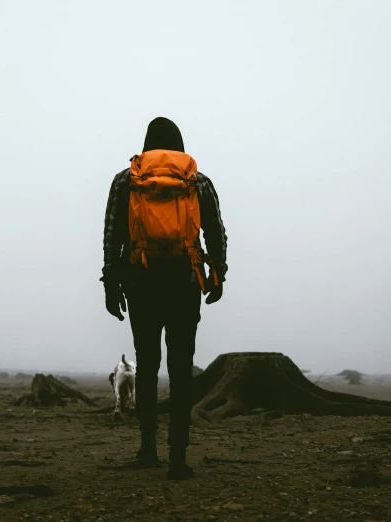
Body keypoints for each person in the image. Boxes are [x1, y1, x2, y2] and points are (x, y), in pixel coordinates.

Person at [101, 117, 228, 479]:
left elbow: (111, 234)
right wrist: (217, 274)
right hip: (185, 282)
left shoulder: (127, 179)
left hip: (140, 281)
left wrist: (111, 284)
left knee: (147, 363)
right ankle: (178, 457)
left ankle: (146, 448)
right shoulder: (196, 180)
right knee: (180, 368)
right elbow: (216, 231)